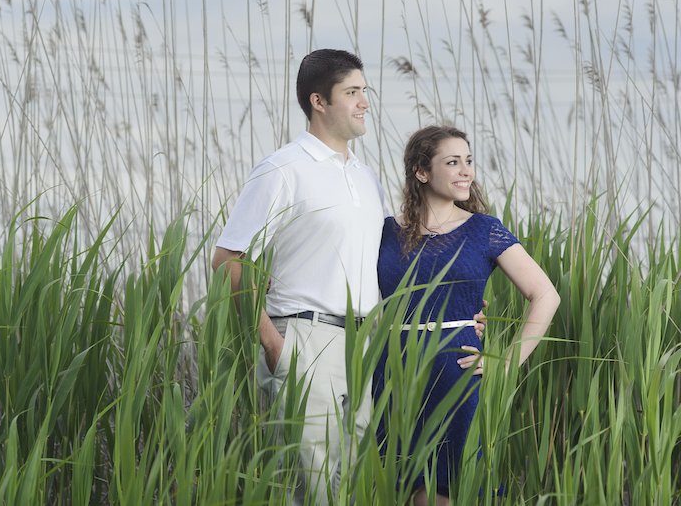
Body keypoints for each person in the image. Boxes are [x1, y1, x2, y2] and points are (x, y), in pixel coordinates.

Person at [211, 49, 384, 504]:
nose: (364, 102)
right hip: (306, 339)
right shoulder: (283, 169)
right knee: (311, 488)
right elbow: (228, 258)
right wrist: (273, 343)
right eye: (352, 92)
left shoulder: (366, 177)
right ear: (318, 101)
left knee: (353, 488)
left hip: (364, 344)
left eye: (364, 91)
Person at [372, 125, 560, 505]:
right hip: (394, 369)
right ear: (421, 171)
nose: (466, 171)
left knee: (449, 488)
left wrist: (506, 361)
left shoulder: (483, 230)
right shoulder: (386, 231)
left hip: (455, 370)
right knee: (398, 486)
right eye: (452, 162)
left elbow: (545, 295)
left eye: (468, 161)